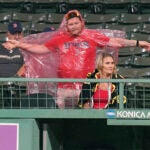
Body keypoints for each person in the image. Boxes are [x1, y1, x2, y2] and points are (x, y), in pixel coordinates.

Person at [6, 10, 150, 109]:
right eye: (70, 24)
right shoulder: (59, 39)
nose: (74, 26)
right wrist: (19, 44)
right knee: (59, 121)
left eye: (76, 23)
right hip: (63, 88)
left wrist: (138, 43)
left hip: (85, 87)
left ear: (81, 22)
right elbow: (41, 49)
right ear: (66, 26)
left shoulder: (92, 36)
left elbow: (116, 42)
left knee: (86, 119)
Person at [0, 21, 26, 108]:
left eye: (19, 33)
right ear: (7, 34)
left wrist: (15, 78)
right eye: (13, 33)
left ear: (22, 34)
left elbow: (27, 64)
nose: (17, 36)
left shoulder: (25, 49)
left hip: (19, 85)